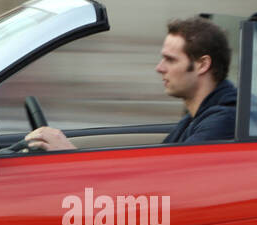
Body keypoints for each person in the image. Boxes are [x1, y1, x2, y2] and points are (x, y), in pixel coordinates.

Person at [23, 17, 236, 151]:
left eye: (170, 59)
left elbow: (166, 181)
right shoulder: (194, 119)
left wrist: (67, 153)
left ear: (202, 65)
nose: (159, 68)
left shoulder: (221, 121)